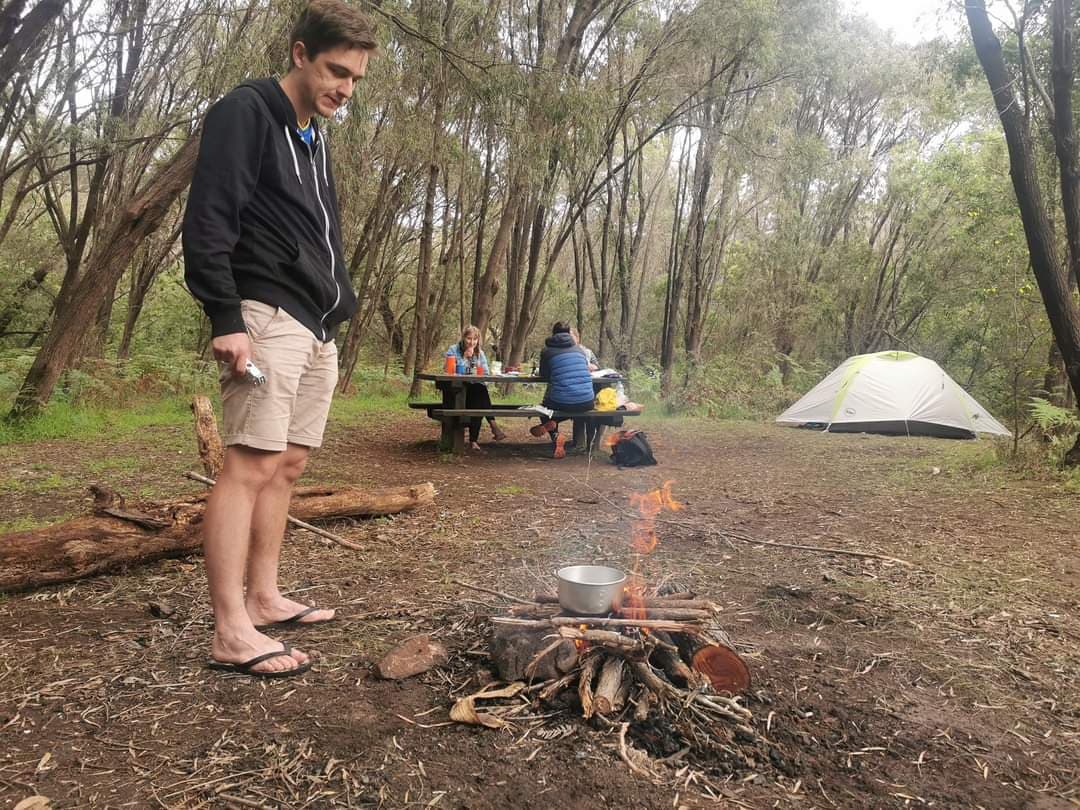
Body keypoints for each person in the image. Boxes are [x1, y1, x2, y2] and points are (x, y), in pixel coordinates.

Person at [181, 0, 377, 678]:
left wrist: (339, 303)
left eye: (354, 78)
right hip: (264, 311)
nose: (343, 89)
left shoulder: (312, 135)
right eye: (334, 71)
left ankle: (263, 597)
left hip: (314, 322)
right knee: (248, 464)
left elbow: (319, 231)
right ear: (299, 53)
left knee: (287, 464)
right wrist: (225, 318)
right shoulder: (248, 111)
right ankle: (230, 628)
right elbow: (209, 215)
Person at [530, 321, 595, 458]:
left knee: (544, 408)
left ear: (553, 334)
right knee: (572, 404)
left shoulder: (547, 351)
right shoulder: (579, 350)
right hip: (587, 401)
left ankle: (554, 431)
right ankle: (554, 423)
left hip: (562, 401)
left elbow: (545, 375)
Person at [445, 325, 507, 451]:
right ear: (463, 338)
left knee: (479, 392)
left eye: (475, 339)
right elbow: (449, 370)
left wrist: (476, 363)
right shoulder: (453, 349)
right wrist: (464, 358)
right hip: (457, 390)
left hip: (474, 390)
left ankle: (476, 438)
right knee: (480, 393)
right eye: (469, 339)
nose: (471, 342)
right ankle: (491, 426)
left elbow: (485, 372)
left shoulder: (480, 353)